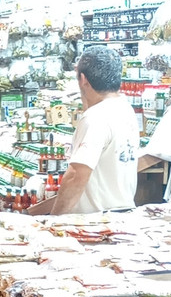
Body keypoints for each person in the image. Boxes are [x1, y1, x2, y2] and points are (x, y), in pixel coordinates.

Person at [51, 46, 139, 215]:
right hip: (123, 214)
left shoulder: (96, 117)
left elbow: (78, 174)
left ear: (83, 79)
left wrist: (53, 219)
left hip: (96, 220)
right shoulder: (125, 108)